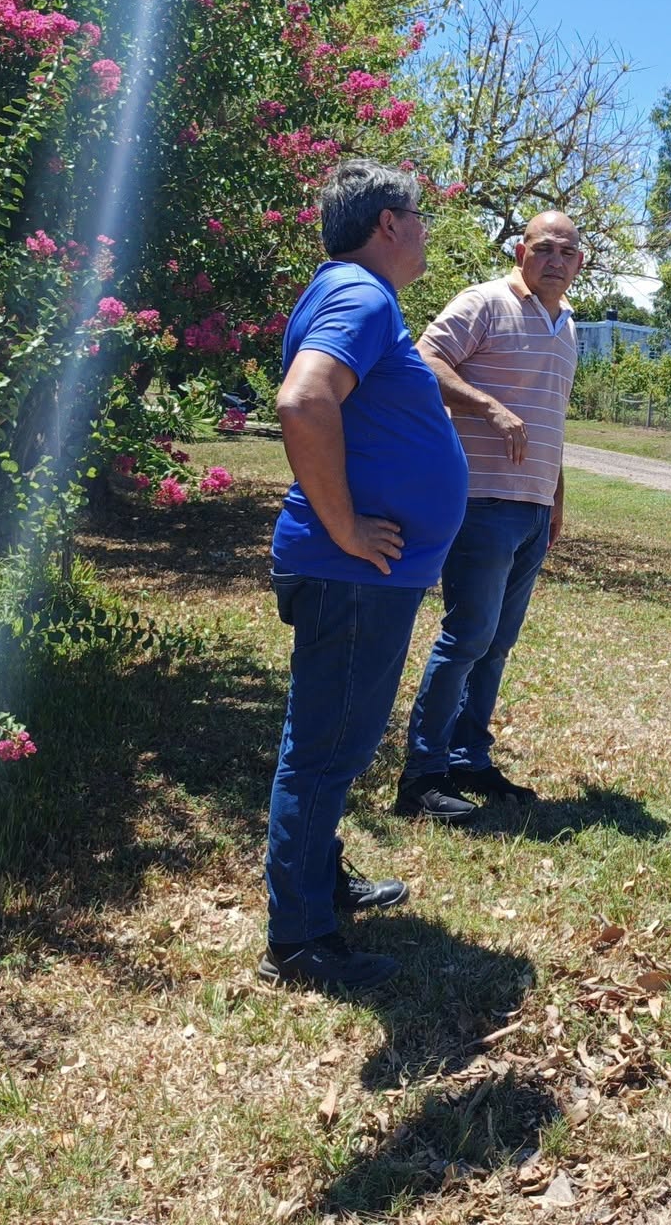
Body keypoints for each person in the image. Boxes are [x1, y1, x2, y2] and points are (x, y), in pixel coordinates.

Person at [261, 159, 468, 993]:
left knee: (332, 742)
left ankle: (321, 883)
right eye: (418, 219)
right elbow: (303, 400)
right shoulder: (363, 294)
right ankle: (302, 939)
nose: (424, 234)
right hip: (350, 573)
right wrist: (346, 525)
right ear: (388, 222)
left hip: (356, 577)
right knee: (323, 751)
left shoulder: (351, 293)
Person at [395, 211, 584, 818]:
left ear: (580, 263)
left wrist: (555, 495)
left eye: (567, 252)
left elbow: (551, 417)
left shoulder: (568, 325)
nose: (556, 260)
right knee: (467, 636)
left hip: (531, 508)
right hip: (479, 500)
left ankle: (468, 759)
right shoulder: (485, 301)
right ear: (520, 251)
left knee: (496, 642)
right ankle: (422, 776)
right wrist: (487, 406)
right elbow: (423, 358)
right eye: (545, 248)